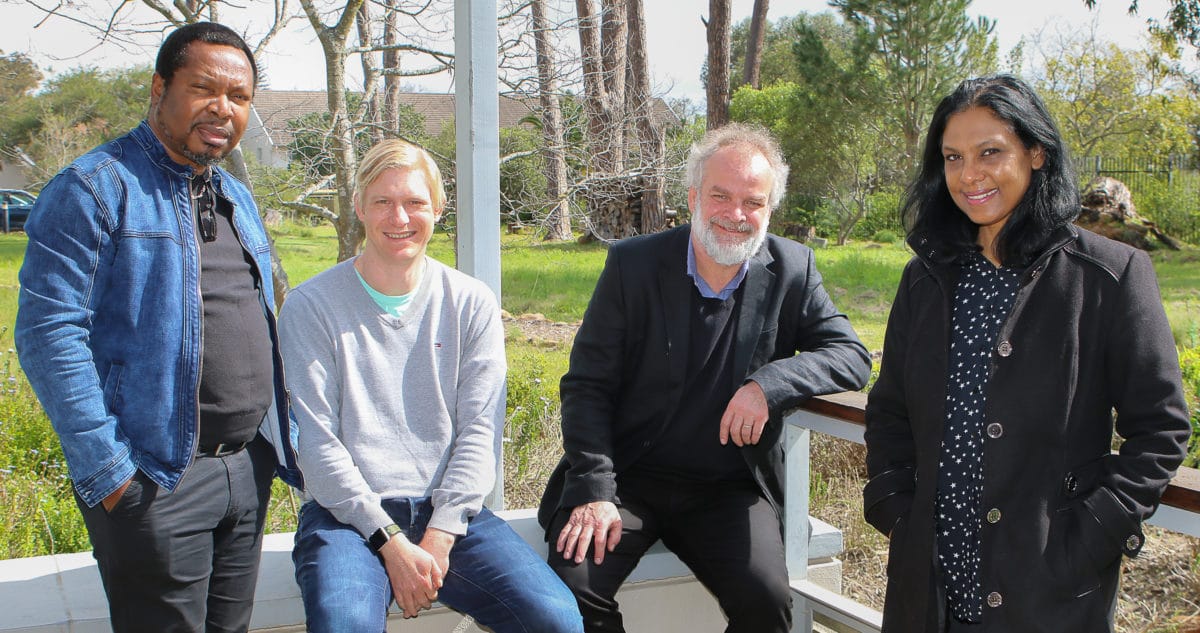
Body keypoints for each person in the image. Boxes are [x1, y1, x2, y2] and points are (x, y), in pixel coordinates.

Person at [863, 74, 1191, 633]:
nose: (969, 175)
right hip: (930, 588)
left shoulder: (1110, 276)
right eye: (952, 157)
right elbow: (890, 408)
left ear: (1036, 153)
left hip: (1047, 593)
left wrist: (1091, 537)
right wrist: (898, 512)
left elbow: (1160, 430)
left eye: (991, 152)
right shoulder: (925, 280)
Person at [14, 22, 302, 633]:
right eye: (204, 88)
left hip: (245, 469)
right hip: (156, 478)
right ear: (159, 88)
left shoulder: (233, 194)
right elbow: (47, 333)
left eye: (241, 97)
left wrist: (274, 445)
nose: (223, 109)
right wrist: (114, 474)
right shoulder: (94, 188)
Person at [538, 123, 872, 633]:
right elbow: (587, 386)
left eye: (753, 202)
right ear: (694, 196)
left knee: (766, 602)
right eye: (721, 195)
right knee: (567, 589)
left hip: (728, 488)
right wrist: (594, 490)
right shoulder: (634, 265)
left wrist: (769, 384)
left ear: (769, 210)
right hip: (629, 478)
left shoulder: (792, 268)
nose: (736, 215)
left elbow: (851, 356)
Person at [279, 139, 582, 633]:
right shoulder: (311, 306)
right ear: (359, 208)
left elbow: (479, 432)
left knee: (555, 619)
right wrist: (390, 542)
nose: (400, 217)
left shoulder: (470, 303)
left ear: (438, 209)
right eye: (382, 201)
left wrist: (440, 535)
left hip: (450, 514)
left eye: (415, 202)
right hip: (346, 520)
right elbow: (316, 443)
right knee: (343, 625)